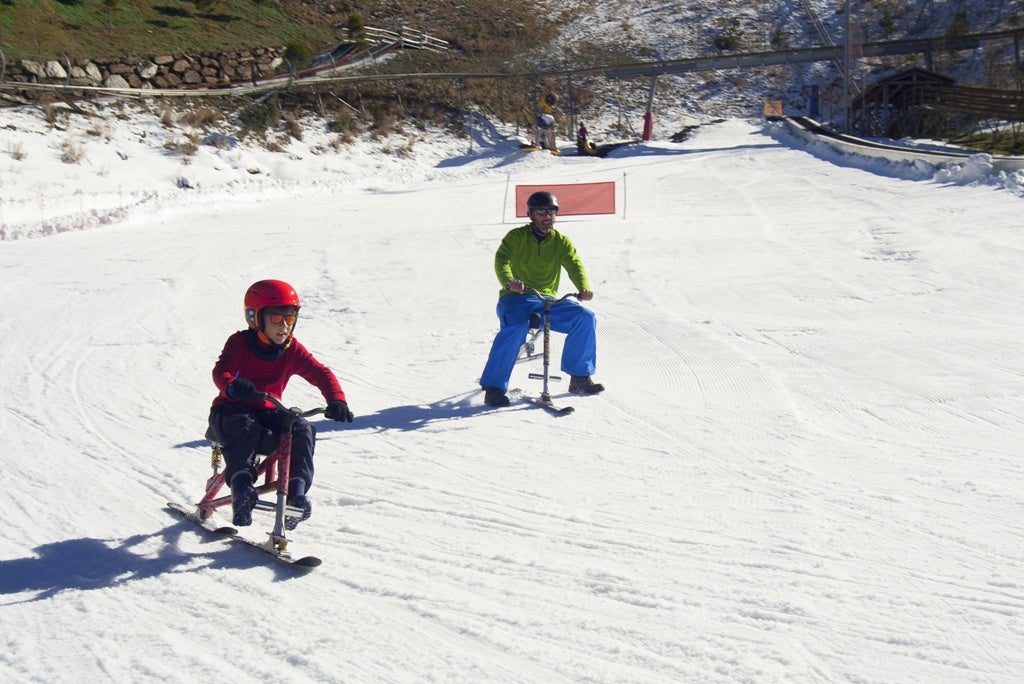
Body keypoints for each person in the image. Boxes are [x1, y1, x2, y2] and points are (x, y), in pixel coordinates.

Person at [208, 279, 354, 528]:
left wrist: (336, 400)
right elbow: (221, 372)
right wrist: (233, 386)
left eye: (290, 318)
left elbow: (321, 373)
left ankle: (296, 496)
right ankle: (242, 489)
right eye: (276, 318)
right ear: (255, 317)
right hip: (230, 411)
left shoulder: (291, 349)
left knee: (302, 428)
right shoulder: (240, 343)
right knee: (245, 425)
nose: (284, 326)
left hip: (268, 411)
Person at [480, 191, 605, 406]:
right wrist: (510, 281)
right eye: (541, 211)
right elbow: (502, 260)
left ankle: (580, 377)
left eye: (552, 211)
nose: (547, 216)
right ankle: (494, 387)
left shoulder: (561, 242)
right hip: (515, 298)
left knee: (585, 317)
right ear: (530, 214)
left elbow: (574, 264)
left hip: (547, 301)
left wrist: (583, 287)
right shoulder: (516, 237)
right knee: (517, 327)